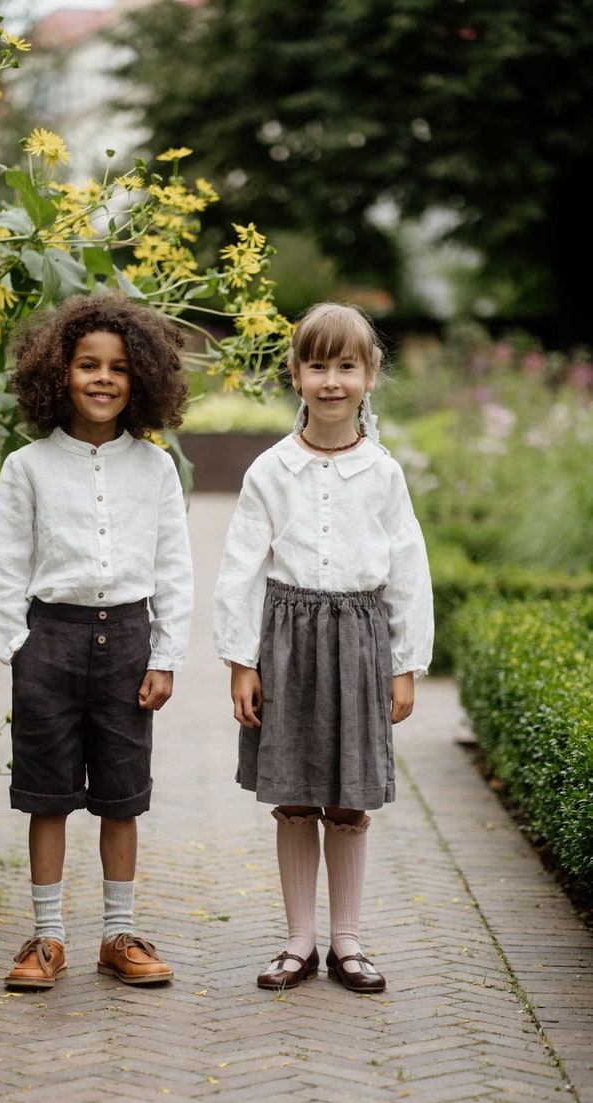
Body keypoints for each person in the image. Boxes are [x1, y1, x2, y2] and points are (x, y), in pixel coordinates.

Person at [213, 301, 433, 994]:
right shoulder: (270, 471)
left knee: (347, 799)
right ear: (295, 373)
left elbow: (408, 567)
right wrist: (241, 660)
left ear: (370, 376)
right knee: (295, 797)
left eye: (346, 366)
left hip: (361, 644)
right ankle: (298, 942)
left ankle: (347, 941)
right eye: (317, 365)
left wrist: (406, 664)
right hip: (289, 645)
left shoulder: (383, 473)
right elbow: (240, 568)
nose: (331, 380)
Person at [0, 291, 193, 991]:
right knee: (47, 794)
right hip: (51, 640)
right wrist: (17, 648)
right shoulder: (28, 466)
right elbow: (7, 563)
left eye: (119, 368)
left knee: (121, 795)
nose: (103, 379)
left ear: (142, 380)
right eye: (87, 365)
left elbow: (174, 566)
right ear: (58, 374)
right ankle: (46, 938)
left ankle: (118, 934)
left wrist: (165, 655)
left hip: (129, 643)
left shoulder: (156, 468)